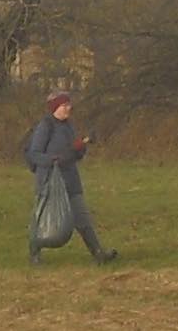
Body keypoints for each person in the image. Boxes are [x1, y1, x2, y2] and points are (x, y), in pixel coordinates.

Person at [24, 91, 116, 266]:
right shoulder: (45, 126)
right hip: (49, 182)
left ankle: (98, 253)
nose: (68, 108)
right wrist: (53, 160)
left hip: (71, 180)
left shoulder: (69, 126)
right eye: (65, 105)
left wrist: (81, 147)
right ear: (55, 108)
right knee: (41, 217)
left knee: (82, 218)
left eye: (69, 105)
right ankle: (34, 253)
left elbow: (73, 154)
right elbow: (34, 154)